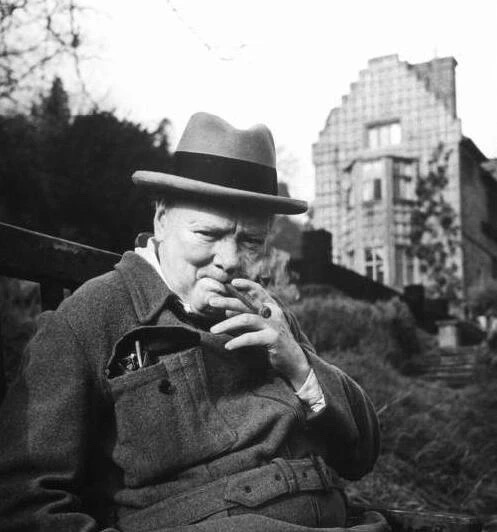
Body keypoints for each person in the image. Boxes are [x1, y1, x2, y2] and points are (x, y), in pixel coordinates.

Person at [0, 112, 387, 531]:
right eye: (208, 234)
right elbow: (25, 501)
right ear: (161, 218)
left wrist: (299, 364)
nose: (230, 260)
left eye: (251, 241)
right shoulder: (90, 319)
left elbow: (361, 456)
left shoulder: (267, 314)